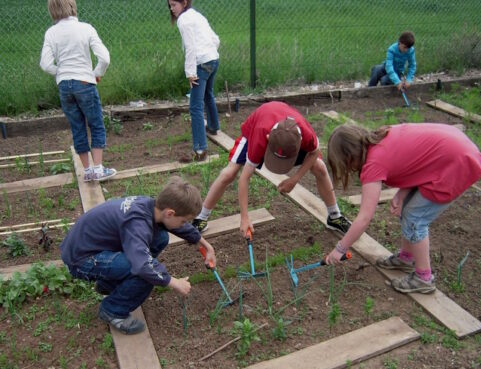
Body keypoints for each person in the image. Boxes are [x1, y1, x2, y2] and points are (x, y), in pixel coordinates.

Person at [325, 123, 481, 294]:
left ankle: (423, 278)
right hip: (452, 148)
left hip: (455, 161)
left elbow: (364, 217)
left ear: (350, 157)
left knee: (415, 218)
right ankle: (406, 259)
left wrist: (340, 249)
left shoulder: (374, 164)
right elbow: (418, 161)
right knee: (409, 210)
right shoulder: (382, 137)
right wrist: (403, 193)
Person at [60, 176, 217, 334]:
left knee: (160, 238)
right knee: (145, 274)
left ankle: (109, 285)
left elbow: (177, 227)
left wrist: (206, 246)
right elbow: (143, 266)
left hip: (91, 246)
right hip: (81, 260)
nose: (184, 224)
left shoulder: (151, 206)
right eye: (184, 221)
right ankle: (112, 310)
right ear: (170, 213)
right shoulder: (137, 223)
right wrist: (174, 282)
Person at [192, 101, 351, 237]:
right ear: (268, 141)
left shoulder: (306, 134)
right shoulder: (260, 137)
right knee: (229, 173)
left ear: (299, 144)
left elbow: (314, 152)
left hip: (287, 136)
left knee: (320, 167)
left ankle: (334, 216)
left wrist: (295, 179)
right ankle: (201, 217)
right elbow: (244, 178)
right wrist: (245, 217)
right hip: (254, 130)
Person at [40, 0, 116, 182]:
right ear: (72, 6)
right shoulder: (86, 28)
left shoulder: (51, 33)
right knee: (96, 124)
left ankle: (88, 171)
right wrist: (96, 74)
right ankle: (98, 169)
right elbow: (104, 58)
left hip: (64, 86)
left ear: (52, 10)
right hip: (84, 82)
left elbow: (45, 64)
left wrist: (61, 72)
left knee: (77, 127)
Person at [168, 0, 221, 162]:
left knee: (195, 107)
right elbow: (215, 39)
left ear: (184, 3)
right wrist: (210, 54)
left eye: (174, 5)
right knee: (208, 94)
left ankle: (200, 149)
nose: (172, 9)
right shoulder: (197, 15)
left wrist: (190, 73)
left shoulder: (184, 20)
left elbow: (190, 48)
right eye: (170, 5)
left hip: (201, 64)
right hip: (213, 59)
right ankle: (213, 126)